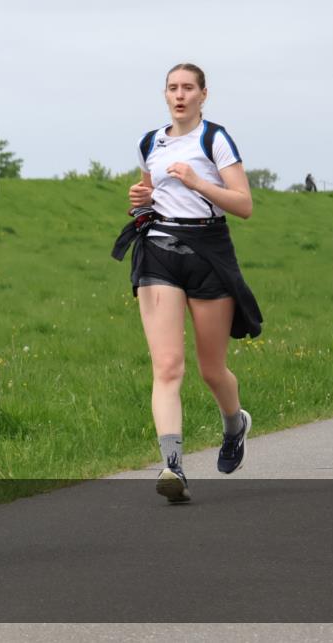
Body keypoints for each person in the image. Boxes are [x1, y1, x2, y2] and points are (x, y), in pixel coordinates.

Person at [112, 63, 263, 503]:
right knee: (167, 366)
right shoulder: (150, 142)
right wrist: (141, 199)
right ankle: (172, 465)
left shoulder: (214, 138)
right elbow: (148, 196)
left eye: (188, 88)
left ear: (203, 94)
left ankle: (235, 424)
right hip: (158, 250)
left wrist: (199, 182)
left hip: (207, 253)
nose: (180, 95)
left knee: (211, 369)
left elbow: (245, 205)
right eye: (173, 88)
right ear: (165, 94)